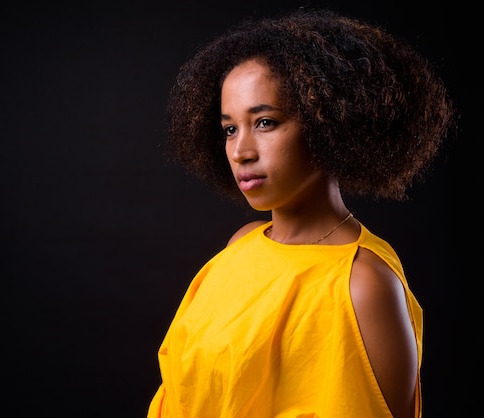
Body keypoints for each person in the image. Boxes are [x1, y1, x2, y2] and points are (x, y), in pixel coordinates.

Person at [147, 7, 456, 418]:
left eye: (266, 122)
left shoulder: (364, 284)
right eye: (230, 129)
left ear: (328, 123)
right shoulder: (240, 246)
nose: (240, 152)